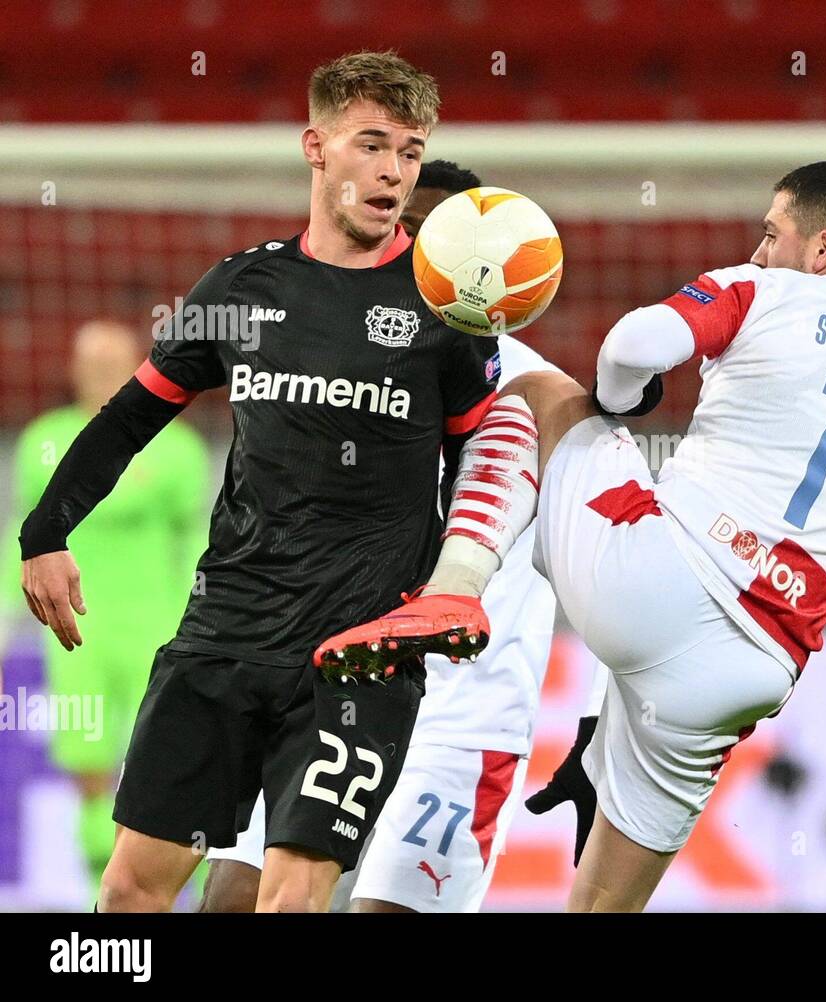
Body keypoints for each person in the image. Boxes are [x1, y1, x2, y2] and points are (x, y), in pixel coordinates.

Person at [317, 160, 826, 912]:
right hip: (747, 673)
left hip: (651, 579)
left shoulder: (763, 290)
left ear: (820, 248)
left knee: (538, 390)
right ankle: (598, 727)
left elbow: (628, 347)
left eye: (773, 230)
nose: (761, 248)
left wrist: (622, 399)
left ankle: (452, 592)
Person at [17, 51, 498, 912]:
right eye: (372, 144)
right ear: (317, 148)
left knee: (287, 900)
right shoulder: (242, 286)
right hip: (224, 634)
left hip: (360, 656)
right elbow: (131, 416)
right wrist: (44, 534)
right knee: (130, 889)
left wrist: (456, 585)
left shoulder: (446, 314)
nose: (393, 171)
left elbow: (482, 466)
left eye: (412, 152)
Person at [200, 160, 594, 913]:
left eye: (438, 241)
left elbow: (610, 564)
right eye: (407, 232)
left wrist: (597, 723)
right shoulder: (328, 366)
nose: (418, 257)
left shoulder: (544, 394)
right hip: (320, 689)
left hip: (461, 718)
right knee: (233, 899)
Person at [3, 320, 209, 886]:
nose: (100, 373)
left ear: (137, 366)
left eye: (111, 362)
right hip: (70, 625)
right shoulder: (44, 439)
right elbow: (21, 536)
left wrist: (202, 615)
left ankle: (169, 883)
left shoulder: (177, 446)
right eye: (90, 363)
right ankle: (101, 883)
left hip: (154, 621)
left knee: (162, 756)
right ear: (73, 370)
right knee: (87, 756)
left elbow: (192, 540)